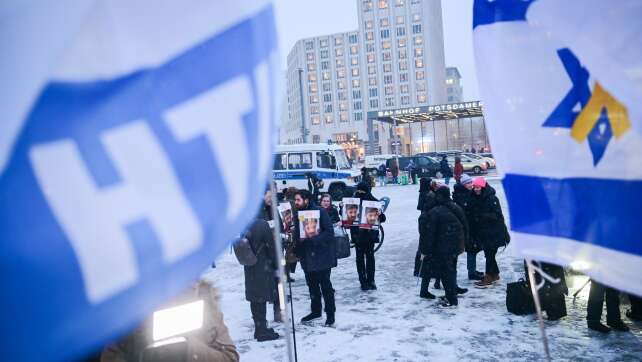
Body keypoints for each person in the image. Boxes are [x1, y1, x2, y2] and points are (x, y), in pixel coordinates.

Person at [101, 281, 239, 361]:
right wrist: (134, 351)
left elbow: (229, 357)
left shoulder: (201, 298)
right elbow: (108, 356)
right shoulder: (124, 309)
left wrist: (187, 349)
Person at [293, 190, 337, 326]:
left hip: (322, 256)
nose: (296, 202)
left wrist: (314, 239)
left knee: (326, 287)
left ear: (306, 200)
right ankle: (316, 311)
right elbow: (297, 234)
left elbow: (330, 232)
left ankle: (330, 315)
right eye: (295, 200)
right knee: (312, 286)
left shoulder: (320, 212)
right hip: (307, 257)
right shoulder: (298, 214)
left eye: (298, 200)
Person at [243, 216, 281, 341]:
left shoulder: (245, 222)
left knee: (255, 298)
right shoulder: (262, 224)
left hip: (249, 266)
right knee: (260, 297)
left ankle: (259, 327)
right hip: (262, 266)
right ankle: (262, 331)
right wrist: (277, 264)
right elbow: (271, 248)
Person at [467, 177, 510, 288]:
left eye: (478, 187)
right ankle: (495, 275)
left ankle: (488, 278)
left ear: (483, 187)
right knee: (489, 254)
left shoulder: (492, 198)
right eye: (474, 187)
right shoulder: (475, 197)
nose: (476, 189)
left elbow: (498, 215)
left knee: (489, 254)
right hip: (484, 233)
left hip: (494, 232)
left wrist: (482, 216)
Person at [351, 182, 386, 291]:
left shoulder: (374, 202)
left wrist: (379, 213)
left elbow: (383, 219)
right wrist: (343, 209)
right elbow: (345, 217)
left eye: (362, 191)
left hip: (369, 235)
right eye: (359, 191)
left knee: (368, 258)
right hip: (358, 235)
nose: (360, 193)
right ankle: (364, 281)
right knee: (361, 259)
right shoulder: (352, 201)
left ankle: (370, 280)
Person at [452, 174, 483, 281]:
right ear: (464, 184)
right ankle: (471, 272)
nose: (471, 184)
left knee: (473, 249)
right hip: (468, 226)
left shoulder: (466, 193)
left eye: (471, 182)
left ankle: (472, 270)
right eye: (469, 183)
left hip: (471, 226)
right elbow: (466, 211)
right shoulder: (462, 195)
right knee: (471, 249)